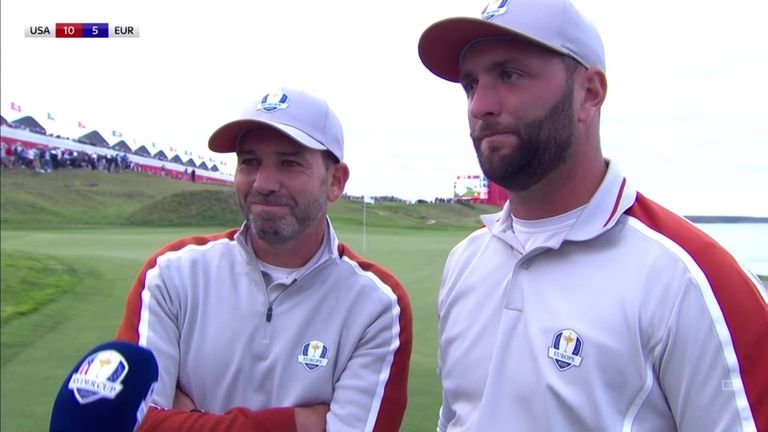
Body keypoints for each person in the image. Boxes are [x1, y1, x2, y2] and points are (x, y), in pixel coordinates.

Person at [417, 0, 768, 430]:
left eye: (510, 75)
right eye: (471, 84)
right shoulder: (465, 262)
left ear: (590, 93)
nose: (480, 106)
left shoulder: (690, 279)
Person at [115, 88, 412, 431]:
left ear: (335, 181)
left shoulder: (376, 305)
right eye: (250, 161)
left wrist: (186, 421)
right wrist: (301, 422)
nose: (264, 183)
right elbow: (125, 422)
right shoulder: (170, 274)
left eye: (289, 162)